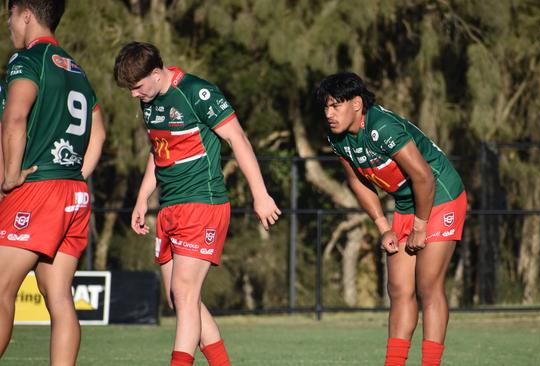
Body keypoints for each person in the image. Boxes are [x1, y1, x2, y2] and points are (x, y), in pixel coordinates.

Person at [113, 41, 281, 366]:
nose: (134, 94)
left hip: (203, 204)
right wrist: (141, 197)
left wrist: (260, 195)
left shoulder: (196, 92)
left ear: (157, 73)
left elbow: (238, 139)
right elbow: (158, 150)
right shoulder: (150, 102)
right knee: (179, 299)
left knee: (186, 293)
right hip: (169, 208)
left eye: (137, 86)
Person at [317, 72, 466, 366]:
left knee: (427, 285)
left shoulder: (382, 128)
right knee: (398, 288)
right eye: (326, 107)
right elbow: (358, 183)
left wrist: (421, 227)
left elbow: (423, 177)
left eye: (336, 106)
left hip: (441, 196)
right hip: (406, 205)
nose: (329, 114)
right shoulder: (337, 139)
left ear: (357, 104)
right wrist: (383, 227)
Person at [0, 0, 106, 364]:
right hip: (73, 194)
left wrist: (11, 175)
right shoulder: (76, 69)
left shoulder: (28, 60)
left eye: (10, 16)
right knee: (59, 298)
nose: (8, 24)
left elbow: (14, 117)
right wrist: (75, 176)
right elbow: (99, 133)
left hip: (37, 190)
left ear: (25, 13)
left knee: (0, 290)